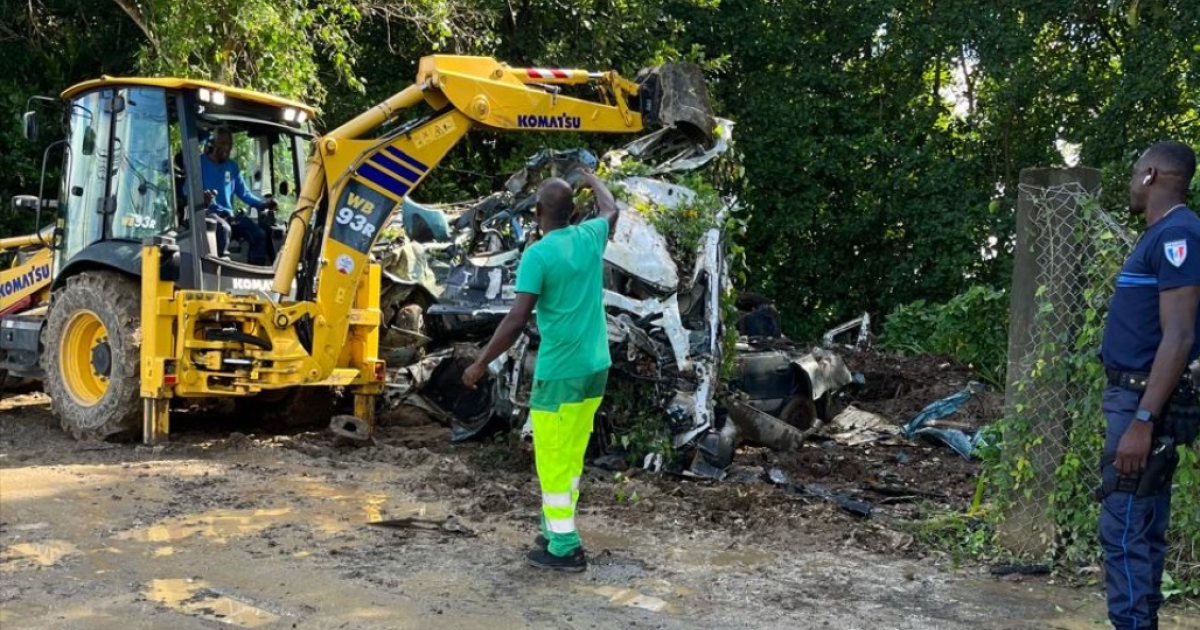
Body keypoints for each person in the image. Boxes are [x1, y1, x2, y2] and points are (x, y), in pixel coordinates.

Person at [462, 169, 619, 572]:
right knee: (571, 453)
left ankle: (565, 547)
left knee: (551, 456)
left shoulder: (538, 255)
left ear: (536, 213)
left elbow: (516, 319)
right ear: (573, 211)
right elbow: (611, 207)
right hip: (595, 367)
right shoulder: (589, 238)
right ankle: (553, 528)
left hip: (561, 370)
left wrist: (481, 362)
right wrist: (591, 177)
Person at [1098, 140, 1200, 630]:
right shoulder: (1160, 234)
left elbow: (1179, 336)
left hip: (1142, 402)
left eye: (1135, 171)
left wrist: (1142, 419)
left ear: (1152, 175)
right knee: (1140, 528)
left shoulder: (1179, 233)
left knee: (1124, 531)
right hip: (1136, 397)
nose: (1131, 181)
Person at [201, 128, 274, 265]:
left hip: (229, 216)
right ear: (212, 144)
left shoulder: (232, 167)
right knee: (223, 229)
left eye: (229, 144)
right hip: (208, 215)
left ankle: (255, 273)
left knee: (259, 234)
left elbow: (244, 193)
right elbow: (186, 189)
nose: (226, 148)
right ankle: (220, 269)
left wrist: (263, 204)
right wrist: (201, 197)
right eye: (222, 143)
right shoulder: (200, 163)